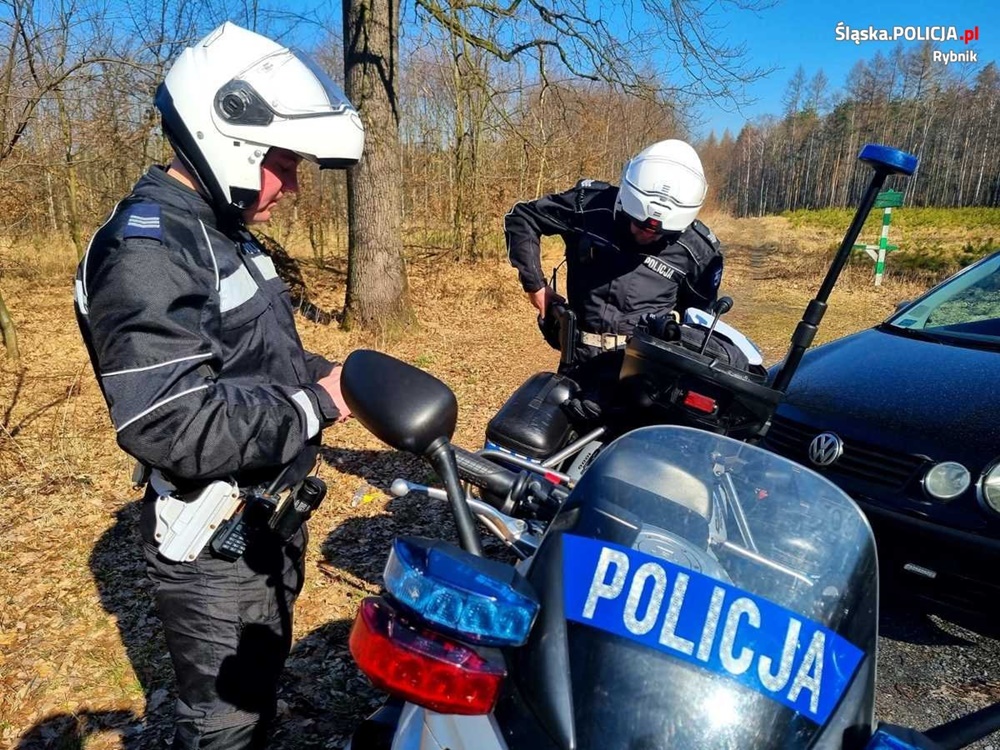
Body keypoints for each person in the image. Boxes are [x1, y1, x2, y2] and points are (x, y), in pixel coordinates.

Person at [73, 22, 364, 749]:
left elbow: (255, 354)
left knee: (258, 692)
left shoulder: (222, 231)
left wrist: (327, 373)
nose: (294, 183)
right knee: (223, 726)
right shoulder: (146, 248)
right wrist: (315, 405)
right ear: (225, 136)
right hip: (213, 548)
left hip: (264, 522)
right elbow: (167, 420)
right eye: (284, 163)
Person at [504, 139, 724, 418]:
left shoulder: (698, 252)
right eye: (638, 223)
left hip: (642, 378)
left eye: (659, 234)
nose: (646, 233)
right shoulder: (591, 206)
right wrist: (535, 286)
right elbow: (523, 218)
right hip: (577, 363)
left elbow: (699, 323)